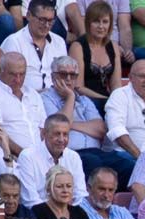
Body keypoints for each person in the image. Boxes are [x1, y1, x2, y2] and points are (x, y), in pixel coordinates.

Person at [42, 55, 133, 185]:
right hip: (69, 153)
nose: (68, 79)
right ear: (53, 77)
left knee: (127, 164)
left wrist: (71, 125)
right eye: (63, 74)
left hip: (96, 151)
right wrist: (70, 97)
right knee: (94, 164)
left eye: (73, 75)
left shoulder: (84, 100)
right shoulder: (45, 98)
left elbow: (101, 129)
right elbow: (60, 126)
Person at [16, 113, 87, 209]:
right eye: (57, 134)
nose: (61, 139)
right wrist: (56, 214)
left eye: (65, 134)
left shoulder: (73, 157)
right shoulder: (27, 156)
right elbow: (30, 200)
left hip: (69, 214)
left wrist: (68, 213)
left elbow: (80, 195)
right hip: (39, 217)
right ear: (44, 134)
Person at [1, 0, 68, 93]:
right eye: (42, 20)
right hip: (25, 99)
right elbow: (7, 82)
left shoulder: (59, 42)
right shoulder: (13, 42)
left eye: (50, 21)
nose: (46, 25)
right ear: (28, 16)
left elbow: (63, 75)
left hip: (55, 98)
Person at [68, 0, 122, 113]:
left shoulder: (113, 46)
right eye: (96, 21)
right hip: (84, 100)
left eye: (105, 22)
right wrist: (106, 100)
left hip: (107, 100)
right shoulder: (78, 47)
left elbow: (116, 84)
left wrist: (117, 101)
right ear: (88, 23)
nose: (101, 26)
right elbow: (78, 87)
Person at [32, 165, 100, 219]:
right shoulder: (39, 210)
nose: (65, 190)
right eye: (59, 186)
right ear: (48, 188)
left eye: (68, 186)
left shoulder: (79, 211)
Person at [78, 165, 143, 219]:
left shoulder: (121, 211)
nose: (106, 195)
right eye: (101, 189)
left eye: (111, 190)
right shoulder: (78, 211)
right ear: (89, 188)